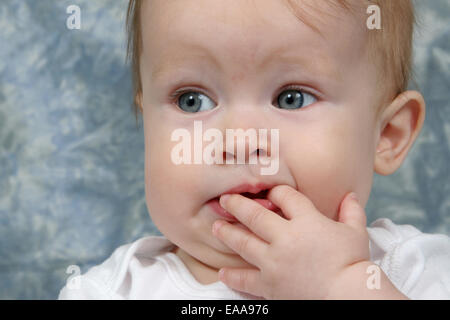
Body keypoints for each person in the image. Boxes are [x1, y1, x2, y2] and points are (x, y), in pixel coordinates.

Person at [59, 0, 450, 299]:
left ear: (386, 135)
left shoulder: (410, 271)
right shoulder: (111, 290)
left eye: (292, 98)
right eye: (192, 100)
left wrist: (342, 286)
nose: (240, 142)